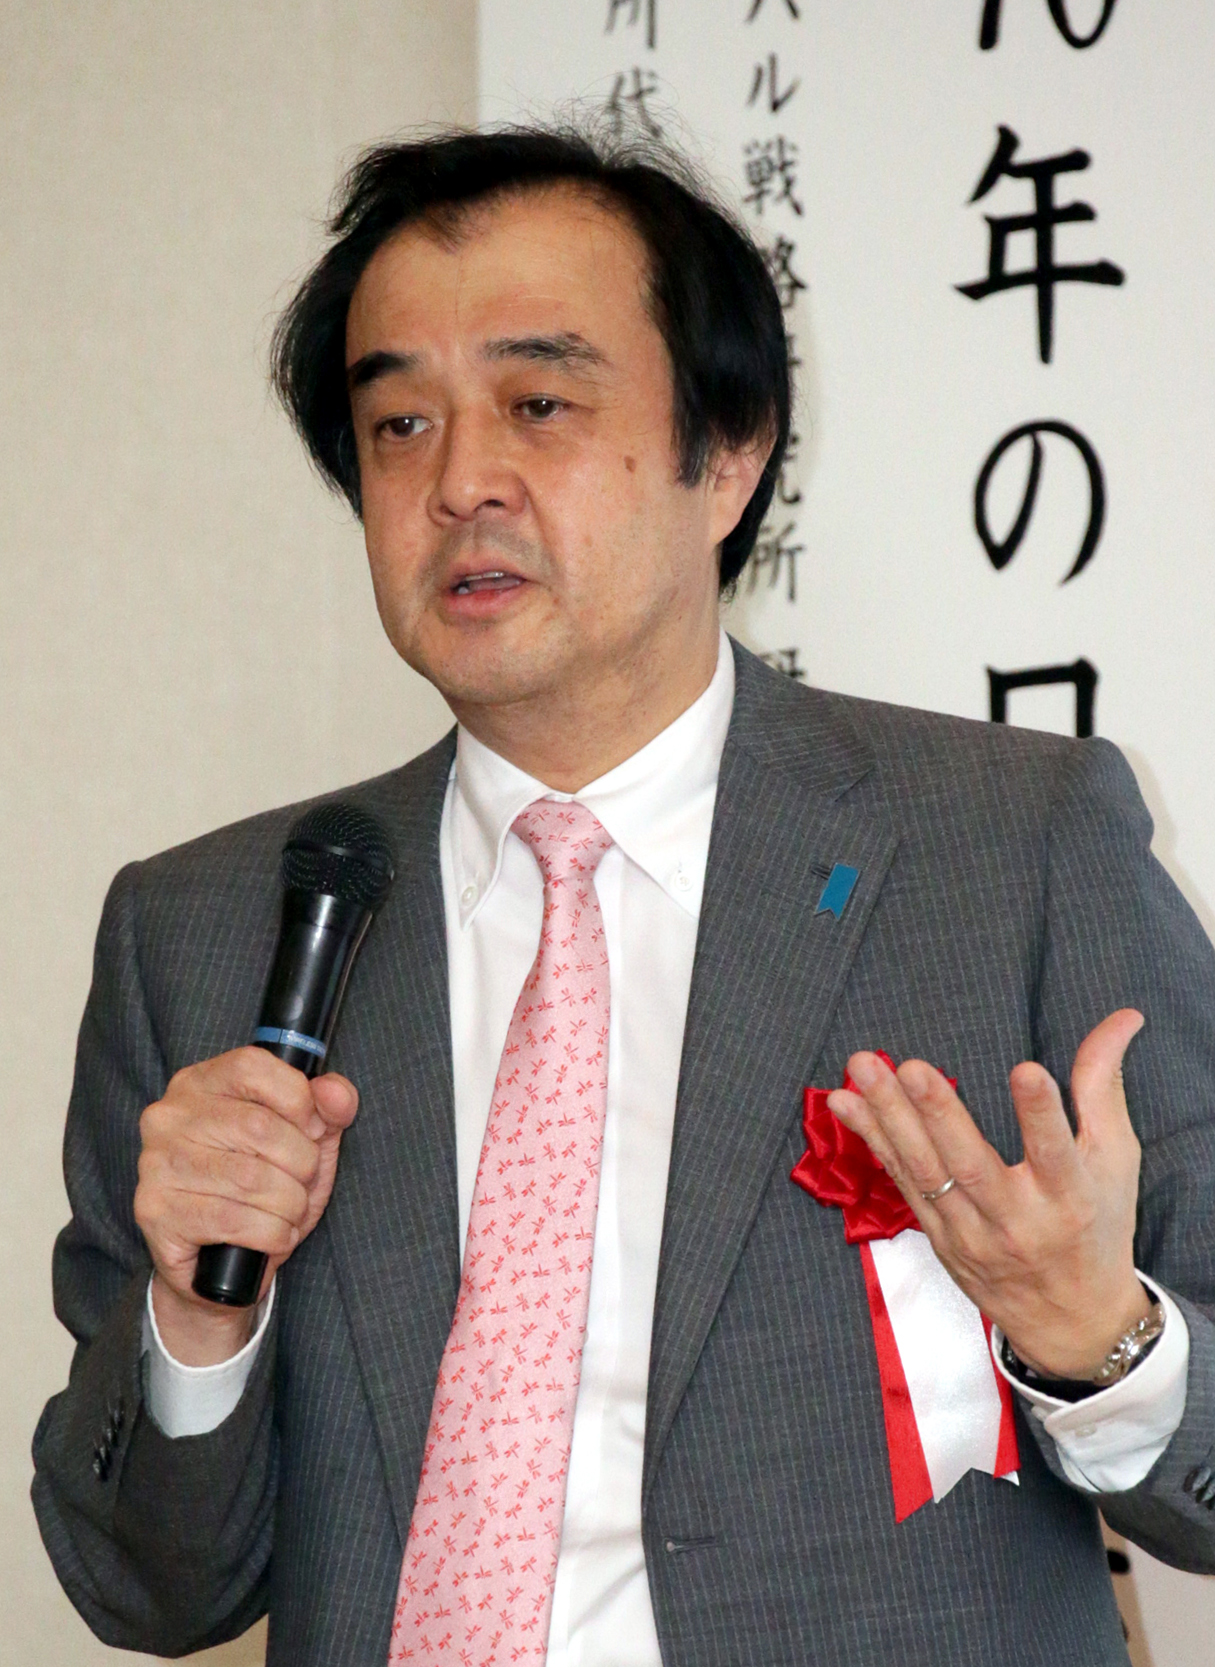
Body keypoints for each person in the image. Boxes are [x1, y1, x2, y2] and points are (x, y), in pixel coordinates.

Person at [31, 126, 1215, 1667]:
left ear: (727, 453)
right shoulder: (204, 930)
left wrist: (1101, 1343)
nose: (460, 482)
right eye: (398, 424)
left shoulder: (1010, 846)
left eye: (539, 404)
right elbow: (147, 1592)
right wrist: (198, 1325)